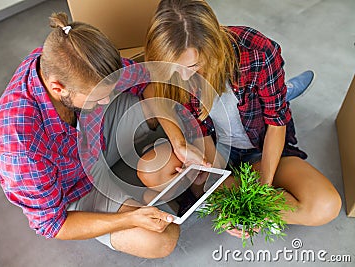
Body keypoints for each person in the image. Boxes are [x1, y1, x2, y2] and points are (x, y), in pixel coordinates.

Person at [137, 0, 341, 239]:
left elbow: (276, 123)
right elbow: (152, 93)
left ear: (212, 45)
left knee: (325, 206)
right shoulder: (172, 61)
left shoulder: (258, 52)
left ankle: (282, 92)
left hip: (259, 148)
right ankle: (282, 93)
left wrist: (262, 190)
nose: (182, 75)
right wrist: (182, 147)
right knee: (151, 171)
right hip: (213, 147)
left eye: (193, 65)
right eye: (174, 68)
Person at [0, 12, 179, 258]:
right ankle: (138, 186)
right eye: (99, 96)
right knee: (160, 241)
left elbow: (142, 79)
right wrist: (130, 218)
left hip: (94, 135)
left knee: (161, 94)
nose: (108, 100)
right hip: (74, 185)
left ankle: (159, 160)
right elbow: (53, 225)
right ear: (58, 88)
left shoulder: (74, 57)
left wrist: (178, 141)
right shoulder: (18, 148)